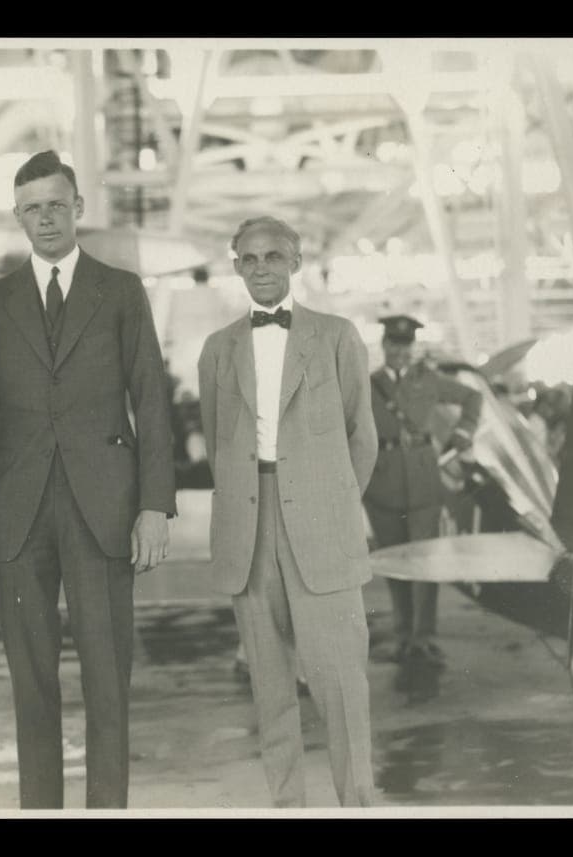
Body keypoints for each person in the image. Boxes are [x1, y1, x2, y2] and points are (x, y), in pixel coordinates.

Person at [0, 150, 176, 809]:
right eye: (32, 208)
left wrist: (155, 507)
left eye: (56, 204)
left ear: (79, 207)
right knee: (31, 683)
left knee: (108, 680)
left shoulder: (121, 289)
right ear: (17, 217)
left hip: (104, 506)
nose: (45, 218)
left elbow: (153, 398)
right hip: (18, 510)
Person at [197, 215, 378, 808]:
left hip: (323, 527)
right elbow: (218, 437)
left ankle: (358, 801)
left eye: (274, 256)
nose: (262, 269)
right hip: (250, 530)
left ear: (296, 263)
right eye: (249, 259)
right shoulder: (218, 349)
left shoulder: (337, 336)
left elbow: (363, 439)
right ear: (236, 266)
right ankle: (287, 804)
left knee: (341, 686)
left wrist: (335, 507)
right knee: (270, 690)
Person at [362, 315, 481, 697]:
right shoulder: (367, 386)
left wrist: (464, 432)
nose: (398, 351)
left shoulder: (428, 380)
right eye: (392, 345)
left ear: (412, 347)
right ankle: (403, 636)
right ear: (384, 347)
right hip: (382, 485)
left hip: (425, 482)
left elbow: (472, 397)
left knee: (425, 563)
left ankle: (424, 637)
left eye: (404, 345)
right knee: (397, 563)